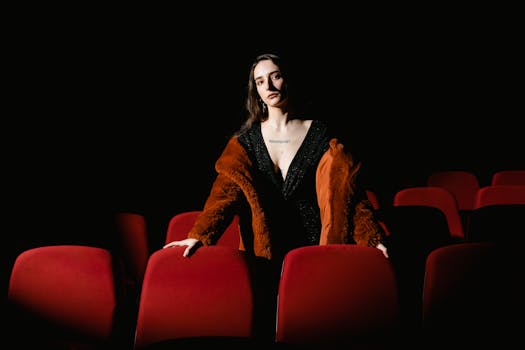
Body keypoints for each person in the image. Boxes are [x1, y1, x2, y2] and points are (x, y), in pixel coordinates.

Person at [163, 52, 388, 341]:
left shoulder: (320, 133)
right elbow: (224, 195)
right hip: (263, 249)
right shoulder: (243, 142)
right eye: (260, 81)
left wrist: (372, 239)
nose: (268, 86)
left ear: (288, 78)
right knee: (266, 326)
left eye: (275, 76)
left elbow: (348, 193)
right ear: (254, 91)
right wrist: (199, 235)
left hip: (313, 248)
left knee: (312, 326)